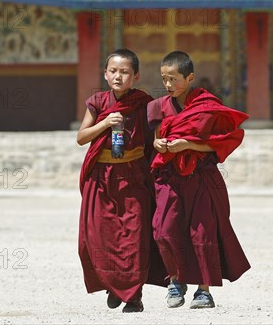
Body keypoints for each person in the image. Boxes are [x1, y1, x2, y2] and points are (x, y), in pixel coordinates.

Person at [147, 51, 251, 310]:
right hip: (169, 176)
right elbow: (157, 138)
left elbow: (218, 143)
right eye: (164, 79)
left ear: (190, 77)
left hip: (201, 176)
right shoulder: (158, 106)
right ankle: (175, 280)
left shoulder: (207, 105)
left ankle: (203, 291)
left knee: (202, 233)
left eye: (173, 79)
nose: (168, 85)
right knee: (163, 229)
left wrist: (186, 144)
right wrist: (158, 143)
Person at [76, 48, 166, 313]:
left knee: (134, 235)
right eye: (113, 71)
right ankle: (113, 285)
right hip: (101, 178)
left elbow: (155, 137)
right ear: (105, 74)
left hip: (133, 176)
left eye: (125, 72)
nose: (118, 76)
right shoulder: (97, 102)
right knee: (99, 236)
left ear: (135, 76)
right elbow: (81, 137)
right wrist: (105, 124)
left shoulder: (144, 103)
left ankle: (133, 295)